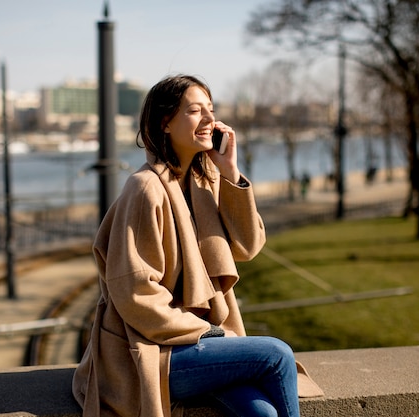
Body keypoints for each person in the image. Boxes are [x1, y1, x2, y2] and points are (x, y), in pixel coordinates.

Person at [72, 75, 321, 417]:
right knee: (276, 354)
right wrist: (213, 333)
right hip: (153, 352)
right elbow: (135, 295)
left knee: (262, 413)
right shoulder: (145, 189)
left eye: (211, 110)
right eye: (194, 110)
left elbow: (248, 246)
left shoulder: (206, 183)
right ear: (165, 123)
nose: (209, 119)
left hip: (200, 346)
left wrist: (231, 172)